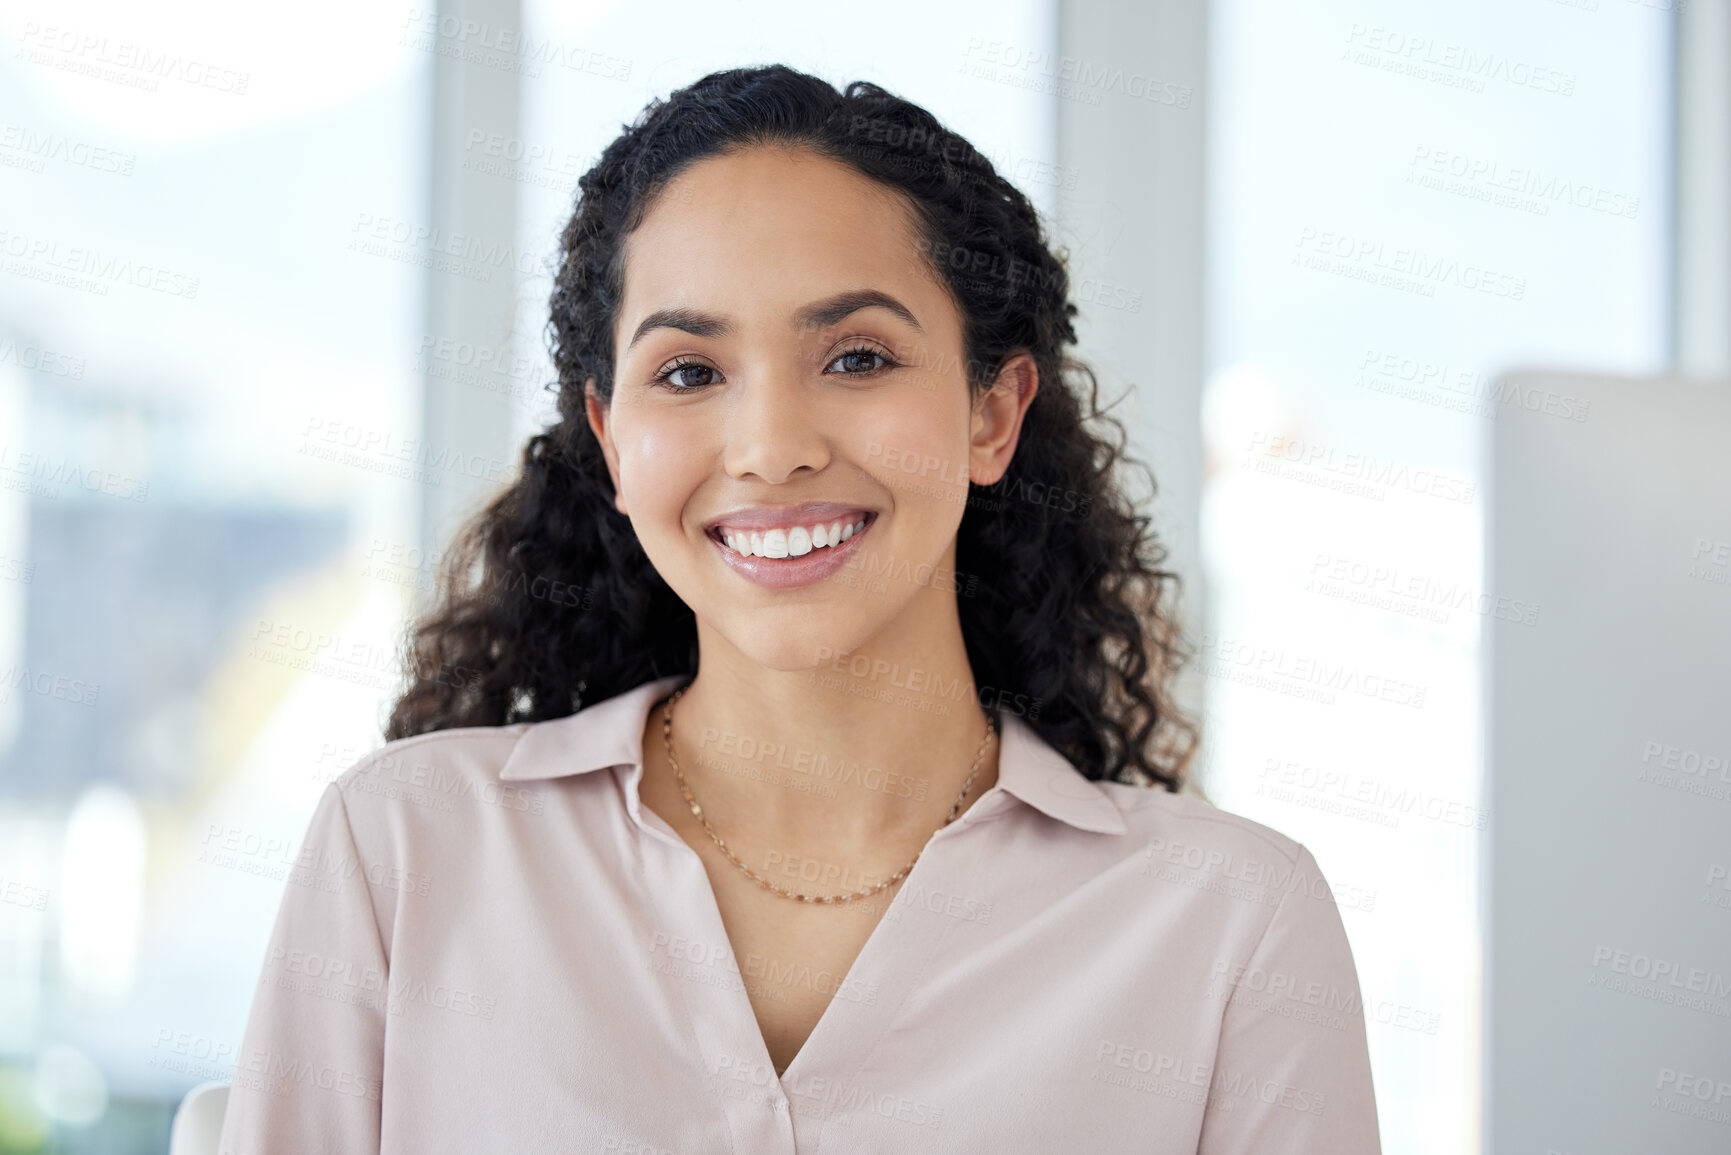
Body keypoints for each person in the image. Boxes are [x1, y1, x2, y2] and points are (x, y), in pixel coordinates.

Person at [218, 64, 1381, 1153]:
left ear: (991, 415)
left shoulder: (1235, 926)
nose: (773, 449)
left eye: (859, 358)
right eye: (688, 372)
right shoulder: (405, 851)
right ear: (614, 441)